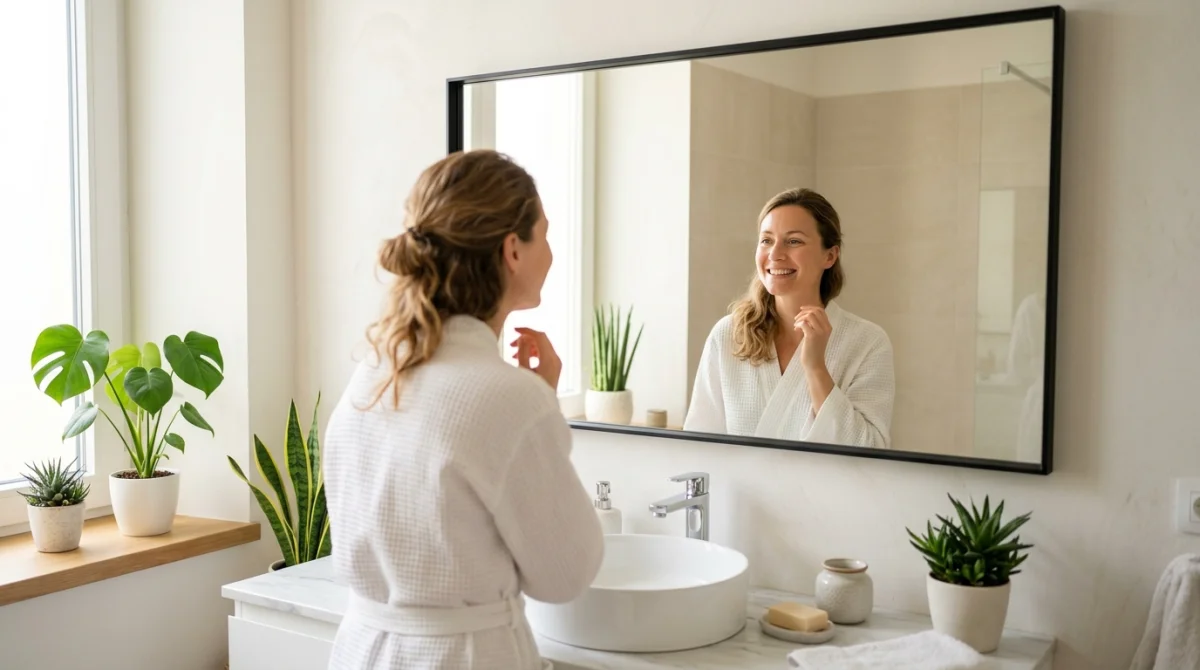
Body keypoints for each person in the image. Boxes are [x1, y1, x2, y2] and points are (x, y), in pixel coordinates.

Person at [322, 149, 605, 669]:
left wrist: (533, 404)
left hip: (361, 649)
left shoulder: (371, 374)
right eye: (544, 233)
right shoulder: (509, 399)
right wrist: (539, 406)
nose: (551, 252)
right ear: (512, 250)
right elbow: (565, 575)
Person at [683, 187, 895, 449]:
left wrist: (815, 366)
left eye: (793, 241)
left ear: (829, 256)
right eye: (766, 240)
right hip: (741, 491)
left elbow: (871, 451)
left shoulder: (867, 342)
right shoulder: (728, 335)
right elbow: (699, 445)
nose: (775, 254)